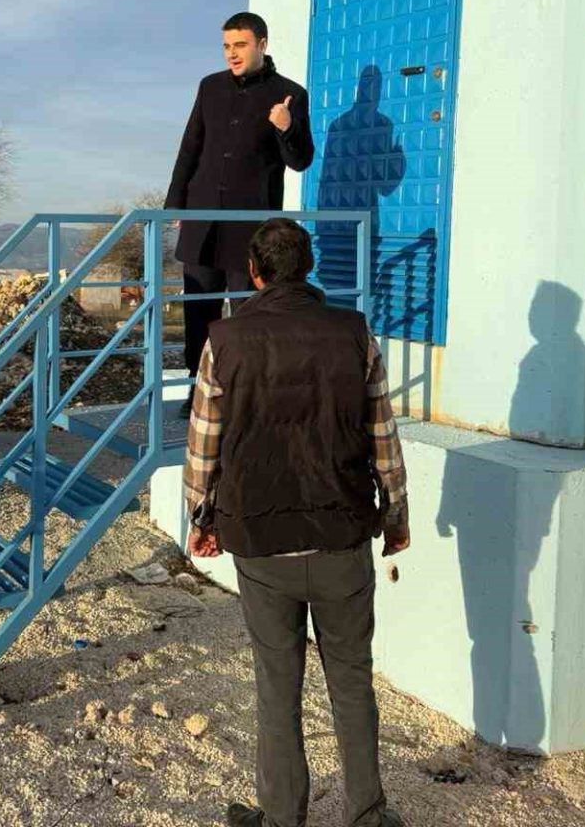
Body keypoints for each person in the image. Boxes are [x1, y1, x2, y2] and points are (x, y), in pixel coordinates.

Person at [184, 219, 410, 827]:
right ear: (308, 268)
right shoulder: (353, 332)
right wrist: (395, 515)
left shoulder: (224, 340)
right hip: (341, 535)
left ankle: (283, 817)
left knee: (277, 684)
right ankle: (368, 814)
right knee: (352, 679)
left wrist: (201, 517)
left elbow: (204, 445)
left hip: (262, 540)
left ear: (254, 272)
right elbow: (382, 436)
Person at [166, 11, 314, 417]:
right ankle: (198, 392)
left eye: (240, 45)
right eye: (227, 46)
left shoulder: (290, 94)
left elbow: (301, 160)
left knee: (247, 313)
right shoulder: (210, 86)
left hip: (250, 227)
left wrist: (286, 127)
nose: (232, 53)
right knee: (199, 311)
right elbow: (191, 146)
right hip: (202, 219)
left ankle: (243, 393)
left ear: (262, 44)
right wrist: (175, 202)